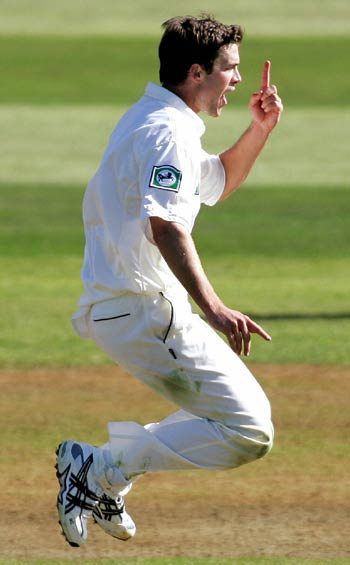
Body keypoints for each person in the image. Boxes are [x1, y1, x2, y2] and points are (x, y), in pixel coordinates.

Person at [56, 14, 283, 547]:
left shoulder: (155, 118)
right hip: (146, 312)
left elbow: (218, 181)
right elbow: (167, 226)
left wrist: (259, 129)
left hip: (132, 309)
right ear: (197, 70)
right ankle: (98, 469)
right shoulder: (167, 134)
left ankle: (103, 473)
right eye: (230, 69)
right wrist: (215, 307)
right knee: (249, 431)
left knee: (239, 420)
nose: (236, 80)